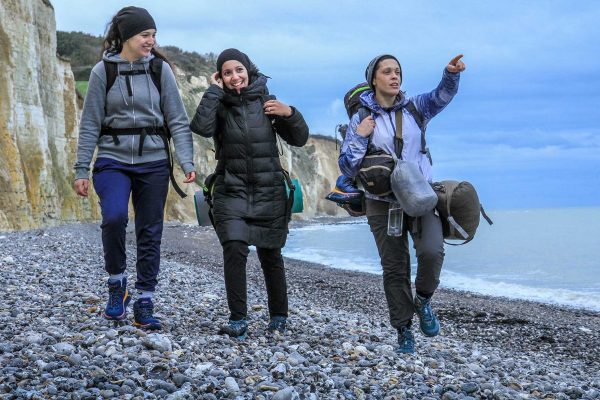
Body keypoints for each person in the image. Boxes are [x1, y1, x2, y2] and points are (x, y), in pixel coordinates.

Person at [73, 6, 196, 330]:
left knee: (149, 230)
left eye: (154, 35)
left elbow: (178, 120)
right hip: (112, 159)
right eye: (146, 35)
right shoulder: (103, 71)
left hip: (153, 160)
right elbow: (89, 125)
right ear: (128, 36)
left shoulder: (159, 70)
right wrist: (81, 169)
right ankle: (117, 284)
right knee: (113, 217)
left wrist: (187, 161)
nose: (152, 41)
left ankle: (145, 299)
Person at [339, 54, 465, 353]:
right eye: (387, 72)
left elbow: (442, 96)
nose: (394, 77)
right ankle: (404, 330)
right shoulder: (361, 118)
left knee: (432, 252)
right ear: (374, 79)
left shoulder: (415, 108)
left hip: (421, 196)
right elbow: (347, 166)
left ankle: (422, 300)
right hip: (381, 203)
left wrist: (450, 74)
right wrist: (359, 136)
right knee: (395, 269)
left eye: (398, 72)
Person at [190, 48, 309, 339]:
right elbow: (200, 127)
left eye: (238, 70)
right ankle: (238, 319)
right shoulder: (219, 104)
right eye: (227, 72)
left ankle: (279, 316)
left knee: (271, 254)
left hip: (269, 189)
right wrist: (214, 91)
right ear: (221, 76)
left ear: (249, 70)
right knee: (234, 248)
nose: (235, 77)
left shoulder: (268, 102)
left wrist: (290, 113)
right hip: (231, 188)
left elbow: (300, 137)